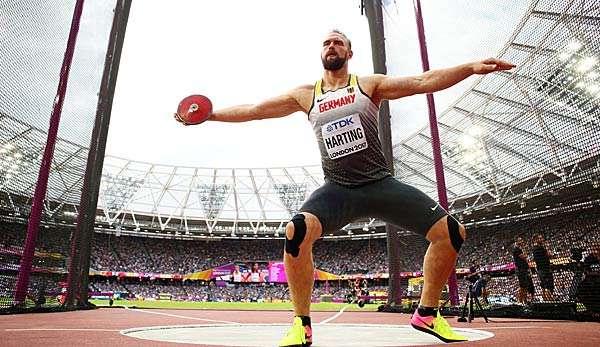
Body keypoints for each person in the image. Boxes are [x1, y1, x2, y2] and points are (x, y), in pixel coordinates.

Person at [175, 29, 515, 345]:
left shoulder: (369, 85)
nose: (332, 46)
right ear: (320, 54)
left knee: (452, 232)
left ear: (349, 52)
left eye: (338, 42)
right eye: (326, 43)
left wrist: (469, 67)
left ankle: (427, 314)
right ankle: (301, 325)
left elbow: (423, 81)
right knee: (296, 231)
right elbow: (254, 110)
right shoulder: (306, 95)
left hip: (380, 184)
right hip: (338, 190)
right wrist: (208, 115)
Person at [532, 233, 554, 301]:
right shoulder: (541, 248)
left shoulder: (534, 249)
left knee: (543, 285)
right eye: (540, 238)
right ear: (536, 240)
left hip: (540, 269)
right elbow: (550, 255)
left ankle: (545, 300)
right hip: (545, 269)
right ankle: (551, 301)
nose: (542, 239)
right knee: (548, 286)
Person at [512, 236, 534, 304]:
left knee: (524, 286)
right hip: (521, 270)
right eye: (520, 240)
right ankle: (520, 301)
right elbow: (523, 257)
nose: (522, 241)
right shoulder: (516, 249)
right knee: (523, 286)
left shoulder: (518, 249)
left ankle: (524, 301)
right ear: (517, 241)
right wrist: (526, 254)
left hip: (523, 269)